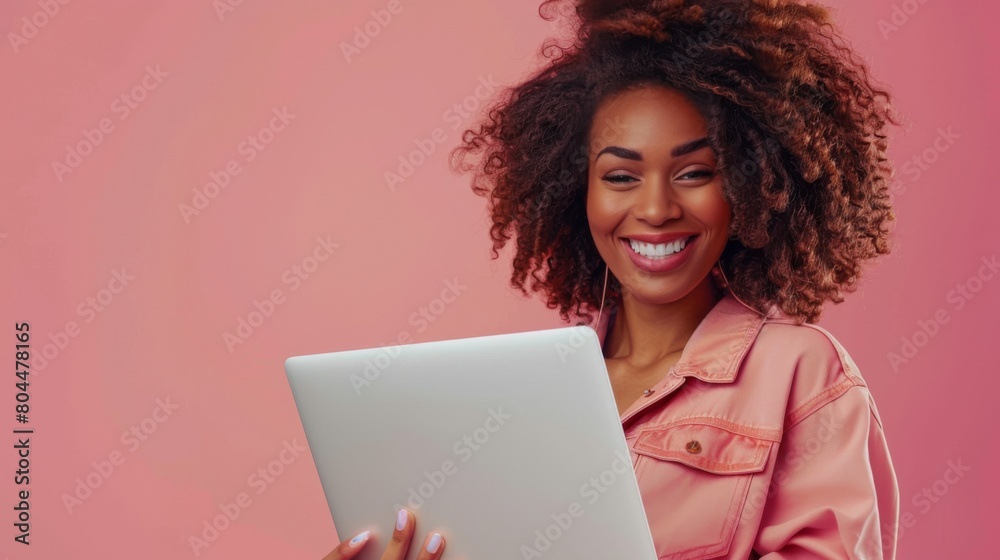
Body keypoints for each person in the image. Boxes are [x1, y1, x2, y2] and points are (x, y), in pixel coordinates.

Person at [322, 0, 899, 558]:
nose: (654, 208)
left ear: (749, 187)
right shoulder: (528, 395)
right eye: (621, 175)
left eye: (695, 172)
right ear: (579, 193)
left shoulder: (801, 375)